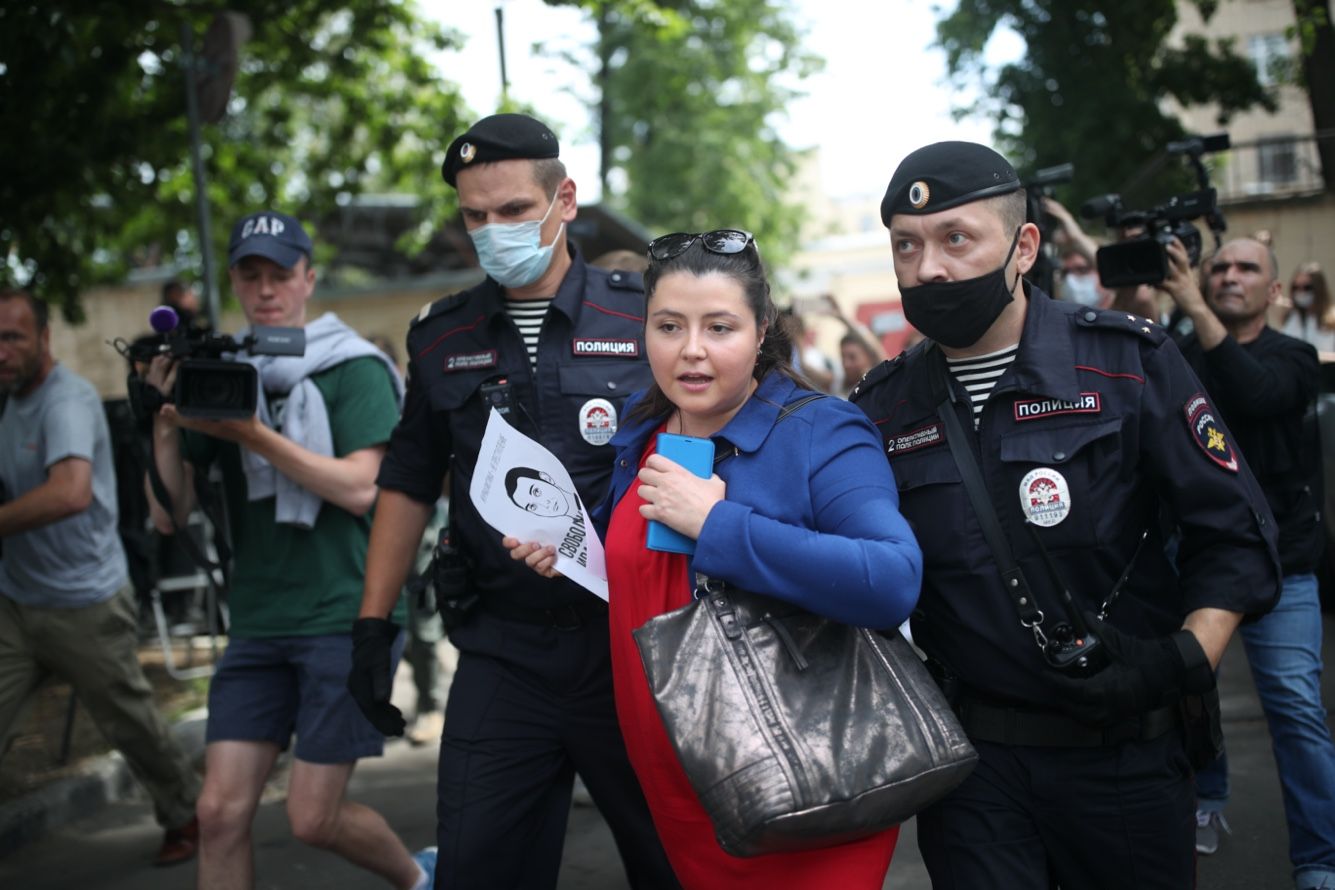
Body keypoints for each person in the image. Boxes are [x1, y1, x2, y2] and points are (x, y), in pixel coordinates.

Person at [851, 141, 1281, 889]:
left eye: (956, 239)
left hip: (1125, 756)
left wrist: (1181, 660)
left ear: (1022, 248)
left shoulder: (1125, 363)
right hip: (973, 774)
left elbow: (1234, 531)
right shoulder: (882, 406)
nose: (929, 269)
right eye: (906, 246)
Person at [506, 228, 922, 888]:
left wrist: (717, 524)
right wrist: (575, 551)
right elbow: (653, 573)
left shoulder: (819, 429)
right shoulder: (643, 425)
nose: (691, 349)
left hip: (805, 790)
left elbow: (890, 579)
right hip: (677, 790)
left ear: (762, 331)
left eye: (719, 327)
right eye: (669, 326)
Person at [347, 113, 678, 889]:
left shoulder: (645, 316)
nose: (493, 231)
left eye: (513, 210)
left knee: (675, 866)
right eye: (475, 216)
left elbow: (706, 439)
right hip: (504, 648)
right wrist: (372, 626)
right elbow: (407, 480)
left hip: (631, 643)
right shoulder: (440, 338)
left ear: (564, 199)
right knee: (478, 867)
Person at [143, 211, 436, 890]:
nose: (266, 290)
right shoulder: (219, 374)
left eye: (280, 274)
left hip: (345, 614)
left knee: (312, 817)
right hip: (257, 621)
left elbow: (361, 489)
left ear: (308, 278)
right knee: (217, 814)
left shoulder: (352, 367)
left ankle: (420, 879)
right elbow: (165, 516)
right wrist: (161, 419)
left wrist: (250, 434)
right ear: (234, 284)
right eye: (251, 276)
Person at [0, 288, 202, 867]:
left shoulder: (68, 400)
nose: (1, 351)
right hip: (17, 599)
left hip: (84, 603)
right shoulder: (8, 401)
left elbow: (70, 491)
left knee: (130, 723)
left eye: (13, 337)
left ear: (44, 338)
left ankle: (187, 812)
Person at [1163, 236, 1335, 889]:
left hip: (1283, 565)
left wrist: (1191, 305)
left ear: (1273, 290)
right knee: (1189, 693)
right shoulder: (1181, 355)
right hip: (1198, 563)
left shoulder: (1293, 357)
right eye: (1220, 268)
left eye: (1246, 268)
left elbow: (1258, 395)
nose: (1229, 276)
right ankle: (1207, 799)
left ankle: (1319, 860)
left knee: (1294, 708)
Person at [1278, 261, 1335, 359]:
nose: (1301, 292)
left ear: (1319, 289)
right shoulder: (1291, 317)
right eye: (1296, 287)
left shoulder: (1331, 321)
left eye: (1307, 288)